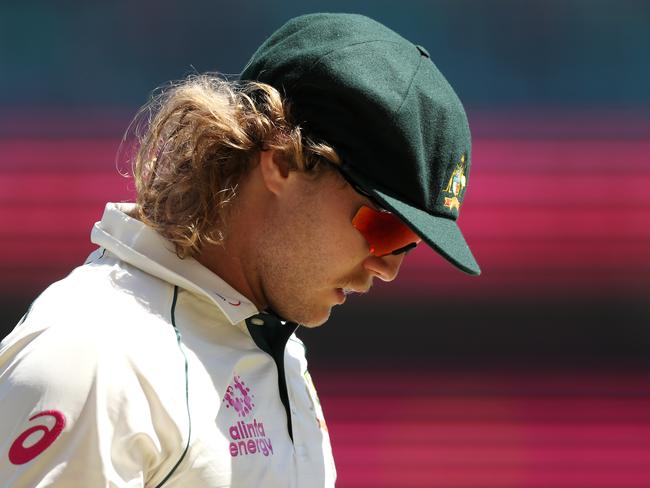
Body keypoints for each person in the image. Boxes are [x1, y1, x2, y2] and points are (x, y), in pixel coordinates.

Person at [0, 12, 480, 488]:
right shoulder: (94, 357)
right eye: (382, 226)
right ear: (284, 162)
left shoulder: (275, 347)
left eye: (408, 244)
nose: (389, 269)